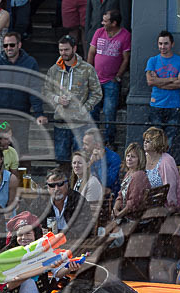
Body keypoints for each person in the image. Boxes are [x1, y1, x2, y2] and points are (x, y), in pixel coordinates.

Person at [0, 32, 48, 154]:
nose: (8, 48)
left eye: (12, 45)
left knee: (21, 150)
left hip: (21, 115)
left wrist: (39, 113)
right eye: (5, 45)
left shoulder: (30, 62)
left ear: (19, 45)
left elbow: (34, 90)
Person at [3, 211, 77, 293]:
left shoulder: (44, 253)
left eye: (28, 233)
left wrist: (69, 268)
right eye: (20, 235)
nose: (24, 238)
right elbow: (8, 284)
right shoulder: (11, 257)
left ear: (35, 235)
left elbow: (58, 272)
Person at [45, 35, 102, 163]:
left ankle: (79, 183)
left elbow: (97, 93)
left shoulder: (87, 69)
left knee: (81, 160)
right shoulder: (54, 70)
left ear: (74, 48)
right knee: (61, 160)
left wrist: (85, 108)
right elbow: (46, 91)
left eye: (66, 50)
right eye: (61, 50)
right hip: (61, 122)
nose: (63, 53)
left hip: (80, 123)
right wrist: (57, 99)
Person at [86, 9, 130, 146]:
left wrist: (118, 76)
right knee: (93, 111)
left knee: (109, 112)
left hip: (111, 81)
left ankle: (109, 141)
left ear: (114, 23)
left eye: (105, 21)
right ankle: (93, 141)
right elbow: (91, 53)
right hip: (96, 80)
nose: (102, 23)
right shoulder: (99, 32)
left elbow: (125, 59)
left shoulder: (125, 35)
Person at [145, 30, 180, 146]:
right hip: (156, 105)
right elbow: (150, 81)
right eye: (160, 43)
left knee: (169, 139)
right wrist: (172, 79)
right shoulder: (152, 60)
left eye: (165, 43)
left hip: (173, 105)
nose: (162, 46)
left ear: (172, 44)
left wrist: (158, 81)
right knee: (154, 140)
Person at [33, 168, 90, 241]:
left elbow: (84, 228)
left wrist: (57, 234)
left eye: (60, 184)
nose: (56, 189)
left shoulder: (78, 200)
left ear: (67, 184)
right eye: (52, 185)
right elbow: (33, 225)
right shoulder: (40, 202)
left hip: (74, 242)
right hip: (48, 243)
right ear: (47, 187)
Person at [142, 126, 180, 209]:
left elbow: (171, 188)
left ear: (158, 143)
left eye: (149, 141)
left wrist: (171, 208)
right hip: (140, 203)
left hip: (161, 206)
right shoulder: (142, 158)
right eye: (145, 140)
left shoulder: (167, 161)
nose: (145, 142)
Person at [113, 142, 149, 221]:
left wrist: (119, 214)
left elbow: (133, 203)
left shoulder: (139, 175)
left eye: (133, 157)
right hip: (125, 214)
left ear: (140, 160)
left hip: (134, 218)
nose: (129, 159)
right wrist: (115, 209)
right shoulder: (129, 173)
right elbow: (120, 195)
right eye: (128, 156)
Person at [82, 127, 120, 193]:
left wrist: (100, 161)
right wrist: (90, 162)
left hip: (108, 198)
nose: (83, 147)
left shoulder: (114, 157)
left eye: (86, 144)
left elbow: (107, 182)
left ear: (97, 144)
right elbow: (80, 178)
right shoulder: (84, 156)